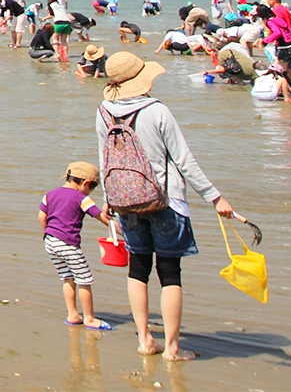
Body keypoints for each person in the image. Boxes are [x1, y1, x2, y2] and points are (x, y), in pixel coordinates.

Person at [95, 51, 239, 362]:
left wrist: (108, 200)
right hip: (165, 199)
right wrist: (215, 197)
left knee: (138, 268)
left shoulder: (103, 111)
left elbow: (104, 158)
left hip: (125, 201)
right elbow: (184, 160)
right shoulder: (157, 110)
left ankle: (145, 338)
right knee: (170, 272)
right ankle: (173, 348)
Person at [40, 159, 115, 330]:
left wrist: (47, 234)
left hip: (50, 242)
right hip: (68, 243)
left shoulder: (50, 194)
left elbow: (41, 217)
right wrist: (123, 232)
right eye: (92, 187)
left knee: (68, 277)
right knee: (84, 279)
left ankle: (73, 314)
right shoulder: (81, 198)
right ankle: (89, 318)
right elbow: (102, 218)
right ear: (86, 183)